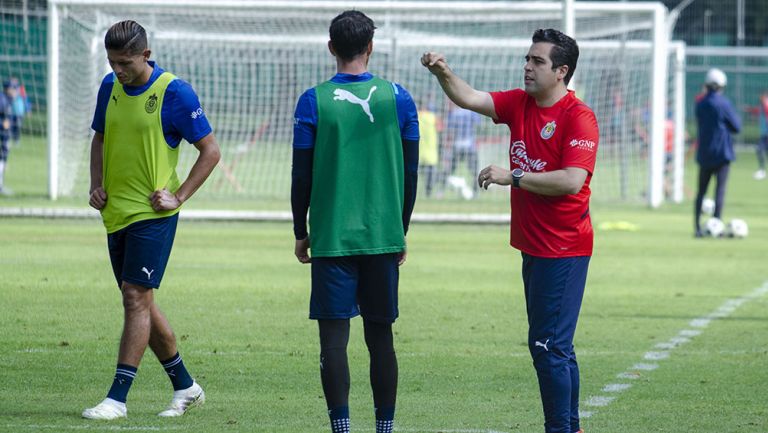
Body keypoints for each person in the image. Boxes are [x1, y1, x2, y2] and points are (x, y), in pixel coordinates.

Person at [423, 28, 598, 433]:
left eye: (537, 61)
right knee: (555, 347)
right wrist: (443, 72)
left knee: (547, 347)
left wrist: (513, 177)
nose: (527, 67)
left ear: (561, 71)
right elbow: (471, 97)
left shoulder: (578, 117)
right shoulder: (520, 104)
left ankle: (561, 428)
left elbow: (572, 181)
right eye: (527, 58)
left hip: (564, 248)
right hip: (534, 247)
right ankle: (571, 427)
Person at [82, 20, 221, 420]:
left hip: (153, 215)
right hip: (116, 214)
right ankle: (186, 386)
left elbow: (210, 151)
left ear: (146, 55)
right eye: (112, 63)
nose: (118, 71)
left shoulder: (174, 93)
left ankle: (117, 399)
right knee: (140, 300)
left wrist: (178, 196)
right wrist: (96, 184)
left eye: (125, 62)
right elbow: (100, 137)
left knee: (134, 298)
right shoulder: (110, 87)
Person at [291, 10, 419, 433]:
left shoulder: (313, 100)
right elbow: (411, 172)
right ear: (371, 47)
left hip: (330, 237)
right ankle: (385, 427)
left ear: (331, 48)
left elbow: (301, 174)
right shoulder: (398, 98)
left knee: (333, 340)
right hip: (383, 235)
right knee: (380, 337)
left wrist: (300, 231)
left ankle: (341, 427)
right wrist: (401, 228)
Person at [694, 68, 740, 237]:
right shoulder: (724, 103)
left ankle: (697, 228)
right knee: (719, 191)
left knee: (701, 191)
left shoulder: (700, 103)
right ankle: (717, 225)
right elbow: (737, 126)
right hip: (722, 153)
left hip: (705, 153)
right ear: (722, 85)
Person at [445, 100, 482, 198]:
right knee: (474, 171)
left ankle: (440, 191)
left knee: (449, 169)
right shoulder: (471, 112)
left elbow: (450, 130)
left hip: (457, 145)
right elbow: (478, 123)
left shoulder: (454, 114)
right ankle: (475, 193)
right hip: (470, 146)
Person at [418, 100, 441, 197]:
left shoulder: (415, 115)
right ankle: (428, 193)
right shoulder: (433, 117)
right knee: (430, 177)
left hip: (418, 151)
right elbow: (440, 129)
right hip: (431, 152)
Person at [0, 81, 12, 195]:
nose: (15, 91)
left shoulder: (8, 100)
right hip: (1, 136)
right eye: (13, 88)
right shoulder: (2, 100)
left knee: (3, 159)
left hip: (4, 137)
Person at [754, 91, 768, 180]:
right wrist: (748, 109)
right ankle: (762, 171)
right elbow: (756, 111)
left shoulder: (766, 106)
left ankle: (762, 171)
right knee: (761, 151)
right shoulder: (762, 107)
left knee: (759, 149)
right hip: (764, 134)